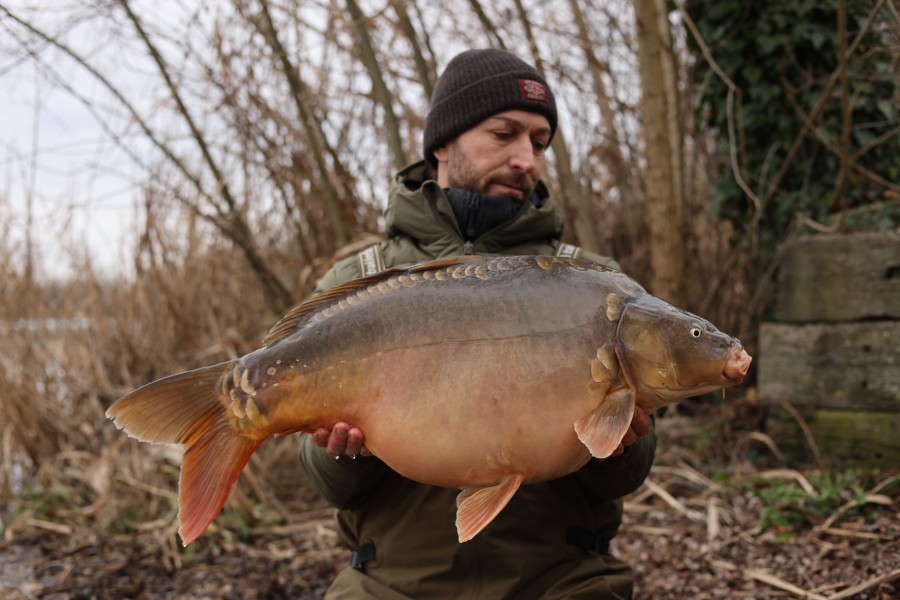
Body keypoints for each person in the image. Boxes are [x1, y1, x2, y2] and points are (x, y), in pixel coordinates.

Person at [298, 48, 656, 599]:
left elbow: (624, 481)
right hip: (392, 588)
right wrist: (343, 451)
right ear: (443, 142)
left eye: (539, 143)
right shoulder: (359, 284)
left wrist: (623, 440)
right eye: (504, 134)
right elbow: (330, 487)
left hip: (561, 584)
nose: (526, 160)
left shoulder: (594, 285)